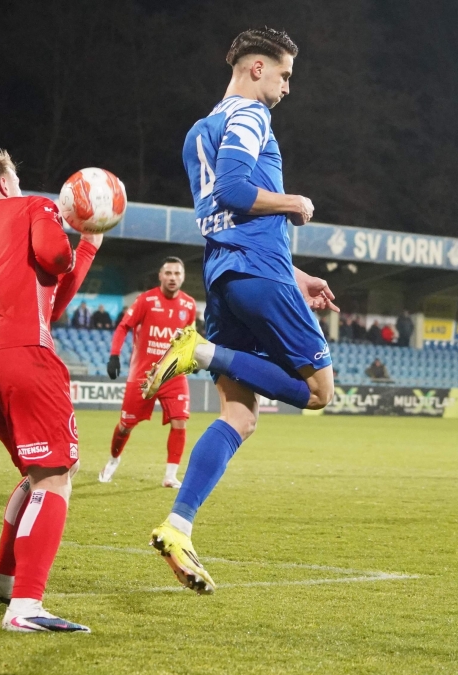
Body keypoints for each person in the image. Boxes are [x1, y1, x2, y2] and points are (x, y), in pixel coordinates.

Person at [142, 28, 338, 595]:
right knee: (320, 392)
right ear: (257, 68)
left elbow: (227, 222)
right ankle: (201, 351)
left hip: (228, 276)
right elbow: (234, 192)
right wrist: (294, 203)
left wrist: (297, 276)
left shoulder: (198, 132)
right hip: (257, 273)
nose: (286, 87)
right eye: (284, 75)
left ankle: (178, 526)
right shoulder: (251, 116)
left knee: (240, 415)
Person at [0, 148, 100, 632]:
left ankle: (3, 582)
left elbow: (46, 301)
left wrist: (88, 247)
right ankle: (26, 607)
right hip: (20, 354)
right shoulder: (32, 205)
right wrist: (75, 229)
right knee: (54, 477)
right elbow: (55, 258)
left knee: (47, 470)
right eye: (16, 178)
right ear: (3, 184)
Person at [100, 257, 196, 488]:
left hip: (173, 374)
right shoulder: (146, 300)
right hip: (144, 376)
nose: (172, 278)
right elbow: (123, 326)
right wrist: (114, 355)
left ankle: (170, 475)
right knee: (126, 425)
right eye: (168, 273)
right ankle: (113, 460)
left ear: (183, 277)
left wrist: (189, 357)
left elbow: (188, 336)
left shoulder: (189, 305)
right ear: (160, 276)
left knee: (180, 421)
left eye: (177, 273)